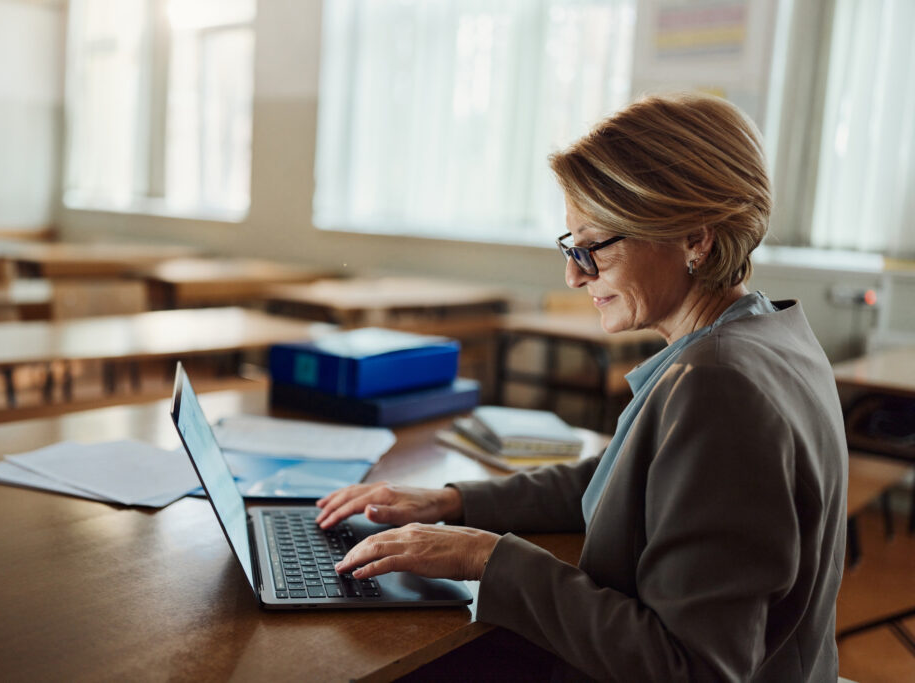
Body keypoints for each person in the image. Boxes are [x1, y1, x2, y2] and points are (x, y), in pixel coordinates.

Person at [315, 93, 847, 681]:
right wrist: (455, 503)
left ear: (696, 238)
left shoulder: (718, 385)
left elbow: (692, 668)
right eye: (572, 246)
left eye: (594, 247)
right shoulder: (769, 332)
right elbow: (625, 480)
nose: (574, 274)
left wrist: (488, 558)